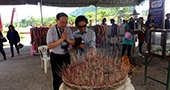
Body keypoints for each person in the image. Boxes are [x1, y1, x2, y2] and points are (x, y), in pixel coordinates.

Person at [46, 12, 75, 90]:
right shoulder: (51, 30)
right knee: (57, 77)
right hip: (56, 56)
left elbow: (73, 42)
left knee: (67, 76)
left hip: (66, 55)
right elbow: (49, 46)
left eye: (66, 22)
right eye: (62, 22)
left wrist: (66, 39)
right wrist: (61, 39)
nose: (64, 24)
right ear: (56, 20)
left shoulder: (68, 29)